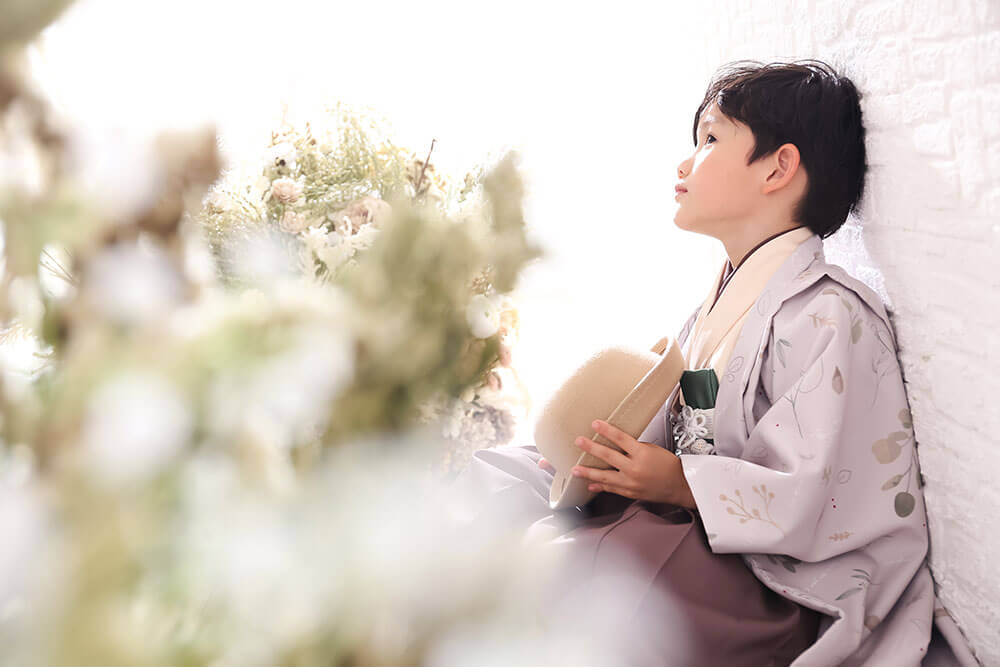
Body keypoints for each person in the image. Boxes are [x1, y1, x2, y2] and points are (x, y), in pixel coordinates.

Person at [448, 59, 978, 666]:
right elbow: (682, 423)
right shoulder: (714, 303)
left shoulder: (832, 312)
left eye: (709, 140)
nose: (683, 162)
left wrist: (674, 482)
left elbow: (814, 490)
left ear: (778, 167)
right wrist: (601, 456)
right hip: (700, 522)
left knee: (602, 567)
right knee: (502, 473)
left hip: (783, 579)